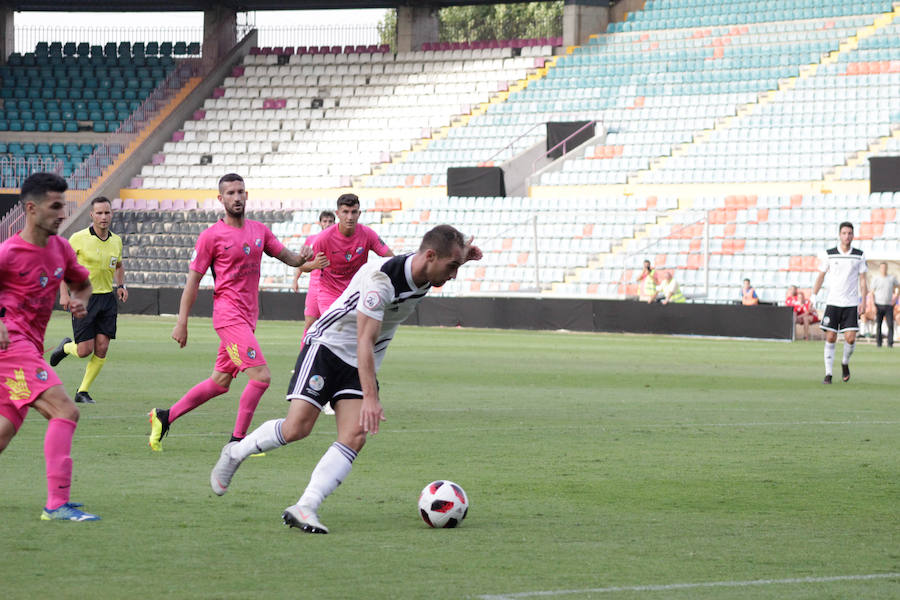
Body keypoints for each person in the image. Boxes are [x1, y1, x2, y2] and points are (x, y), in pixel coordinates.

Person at [208, 224, 482, 534]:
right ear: (431, 256)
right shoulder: (381, 281)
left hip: (359, 361)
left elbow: (431, 262)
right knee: (297, 427)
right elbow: (365, 339)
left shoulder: (425, 266)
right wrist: (371, 398)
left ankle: (305, 506)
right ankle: (235, 452)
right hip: (328, 346)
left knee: (354, 435)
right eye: (452, 267)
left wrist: (462, 257)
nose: (454, 275)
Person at [147, 173, 313, 451]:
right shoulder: (211, 237)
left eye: (240, 192)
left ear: (247, 195)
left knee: (220, 382)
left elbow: (289, 258)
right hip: (228, 317)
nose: (237, 197)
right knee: (261, 378)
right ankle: (236, 442)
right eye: (231, 193)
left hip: (248, 318)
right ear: (220, 199)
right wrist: (181, 322)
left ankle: (165, 417)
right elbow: (193, 282)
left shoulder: (260, 231)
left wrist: (305, 259)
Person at [0, 172, 101, 521]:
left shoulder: (59, 249)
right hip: (12, 347)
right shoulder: (9, 253)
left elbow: (83, 284)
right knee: (66, 410)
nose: (62, 213)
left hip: (28, 347)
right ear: (31, 208)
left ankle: (58, 502)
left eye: (64, 205)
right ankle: (57, 504)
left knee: (4, 431)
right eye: (55, 206)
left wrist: (79, 300)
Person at [48, 196, 127, 404]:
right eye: (99, 213)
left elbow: (118, 265)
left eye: (107, 212)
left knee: (102, 347)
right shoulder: (78, 238)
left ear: (111, 214)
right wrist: (64, 294)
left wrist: (121, 286)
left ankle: (82, 391)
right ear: (91, 215)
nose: (103, 217)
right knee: (84, 351)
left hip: (107, 300)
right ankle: (66, 347)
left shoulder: (116, 240)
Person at [310, 193, 393, 319]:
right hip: (330, 293)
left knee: (358, 334)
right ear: (337, 214)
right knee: (334, 328)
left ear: (359, 214)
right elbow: (303, 265)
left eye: (354, 212)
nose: (350, 217)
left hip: (357, 292)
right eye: (345, 212)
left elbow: (390, 258)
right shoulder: (323, 238)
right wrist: (314, 264)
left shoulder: (368, 234)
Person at [811, 221, 867, 384]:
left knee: (850, 338)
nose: (847, 236)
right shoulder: (830, 254)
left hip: (850, 303)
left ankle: (844, 362)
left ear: (853, 235)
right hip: (833, 302)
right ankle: (828, 374)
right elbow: (821, 275)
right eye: (844, 233)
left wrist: (862, 300)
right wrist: (813, 295)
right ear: (839, 235)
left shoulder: (859, 254)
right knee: (831, 336)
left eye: (849, 233)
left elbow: (863, 280)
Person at [290, 210, 335, 337]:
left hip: (332, 288)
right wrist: (295, 280)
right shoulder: (312, 240)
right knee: (309, 324)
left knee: (331, 326)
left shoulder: (339, 241)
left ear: (334, 223)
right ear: (320, 223)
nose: (327, 224)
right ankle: (305, 355)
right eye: (325, 221)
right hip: (314, 287)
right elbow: (301, 261)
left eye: (330, 221)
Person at [869, 262, 899, 348]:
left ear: (887, 268)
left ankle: (890, 343)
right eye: (882, 268)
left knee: (890, 324)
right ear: (880, 269)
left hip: (889, 305)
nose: (883, 269)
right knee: (879, 324)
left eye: (885, 268)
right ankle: (879, 343)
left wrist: (896, 297)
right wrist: (873, 305)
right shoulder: (876, 279)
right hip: (878, 304)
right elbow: (871, 292)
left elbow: (898, 286)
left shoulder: (891, 278)